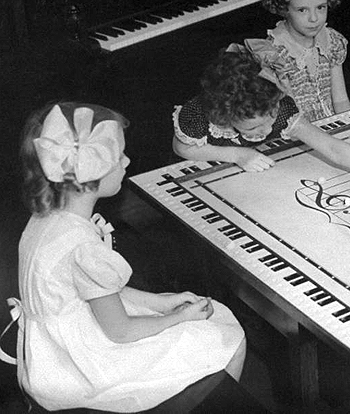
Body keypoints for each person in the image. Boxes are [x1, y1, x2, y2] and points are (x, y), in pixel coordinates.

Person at [11, 102, 246, 411]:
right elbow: (120, 331)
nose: (127, 161)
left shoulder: (46, 219)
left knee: (195, 319)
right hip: (80, 366)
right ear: (90, 173)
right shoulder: (83, 246)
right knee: (227, 335)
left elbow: (93, 294)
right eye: (118, 156)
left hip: (50, 352)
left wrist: (162, 303)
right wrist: (179, 318)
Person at [172, 47, 350, 203]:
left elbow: (331, 147)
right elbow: (183, 149)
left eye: (270, 119)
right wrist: (239, 154)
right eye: (252, 129)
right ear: (226, 119)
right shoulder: (198, 115)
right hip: (209, 175)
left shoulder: (282, 110)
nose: (266, 131)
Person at [245, 0, 350, 121]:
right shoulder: (275, 54)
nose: (314, 18)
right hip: (300, 132)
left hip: (333, 127)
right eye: (302, 10)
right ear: (284, 7)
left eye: (321, 7)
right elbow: (291, 117)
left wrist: (349, 128)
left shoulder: (331, 41)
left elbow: (341, 100)